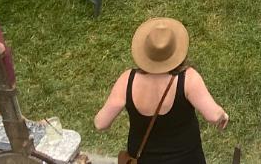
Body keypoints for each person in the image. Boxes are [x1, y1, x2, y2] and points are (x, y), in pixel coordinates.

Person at [95, 17, 227, 163]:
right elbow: (213, 116)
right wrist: (222, 115)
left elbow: (101, 123)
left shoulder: (127, 80)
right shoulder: (188, 79)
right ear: (176, 51)